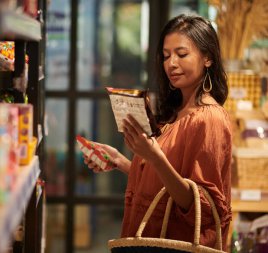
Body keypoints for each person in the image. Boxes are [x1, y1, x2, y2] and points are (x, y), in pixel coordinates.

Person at [83, 14, 232, 250]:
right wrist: (120, 161)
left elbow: (198, 208)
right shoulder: (175, 112)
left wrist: (154, 156)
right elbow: (165, 186)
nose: (171, 63)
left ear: (208, 58)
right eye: (166, 56)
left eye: (182, 54)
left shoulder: (209, 119)